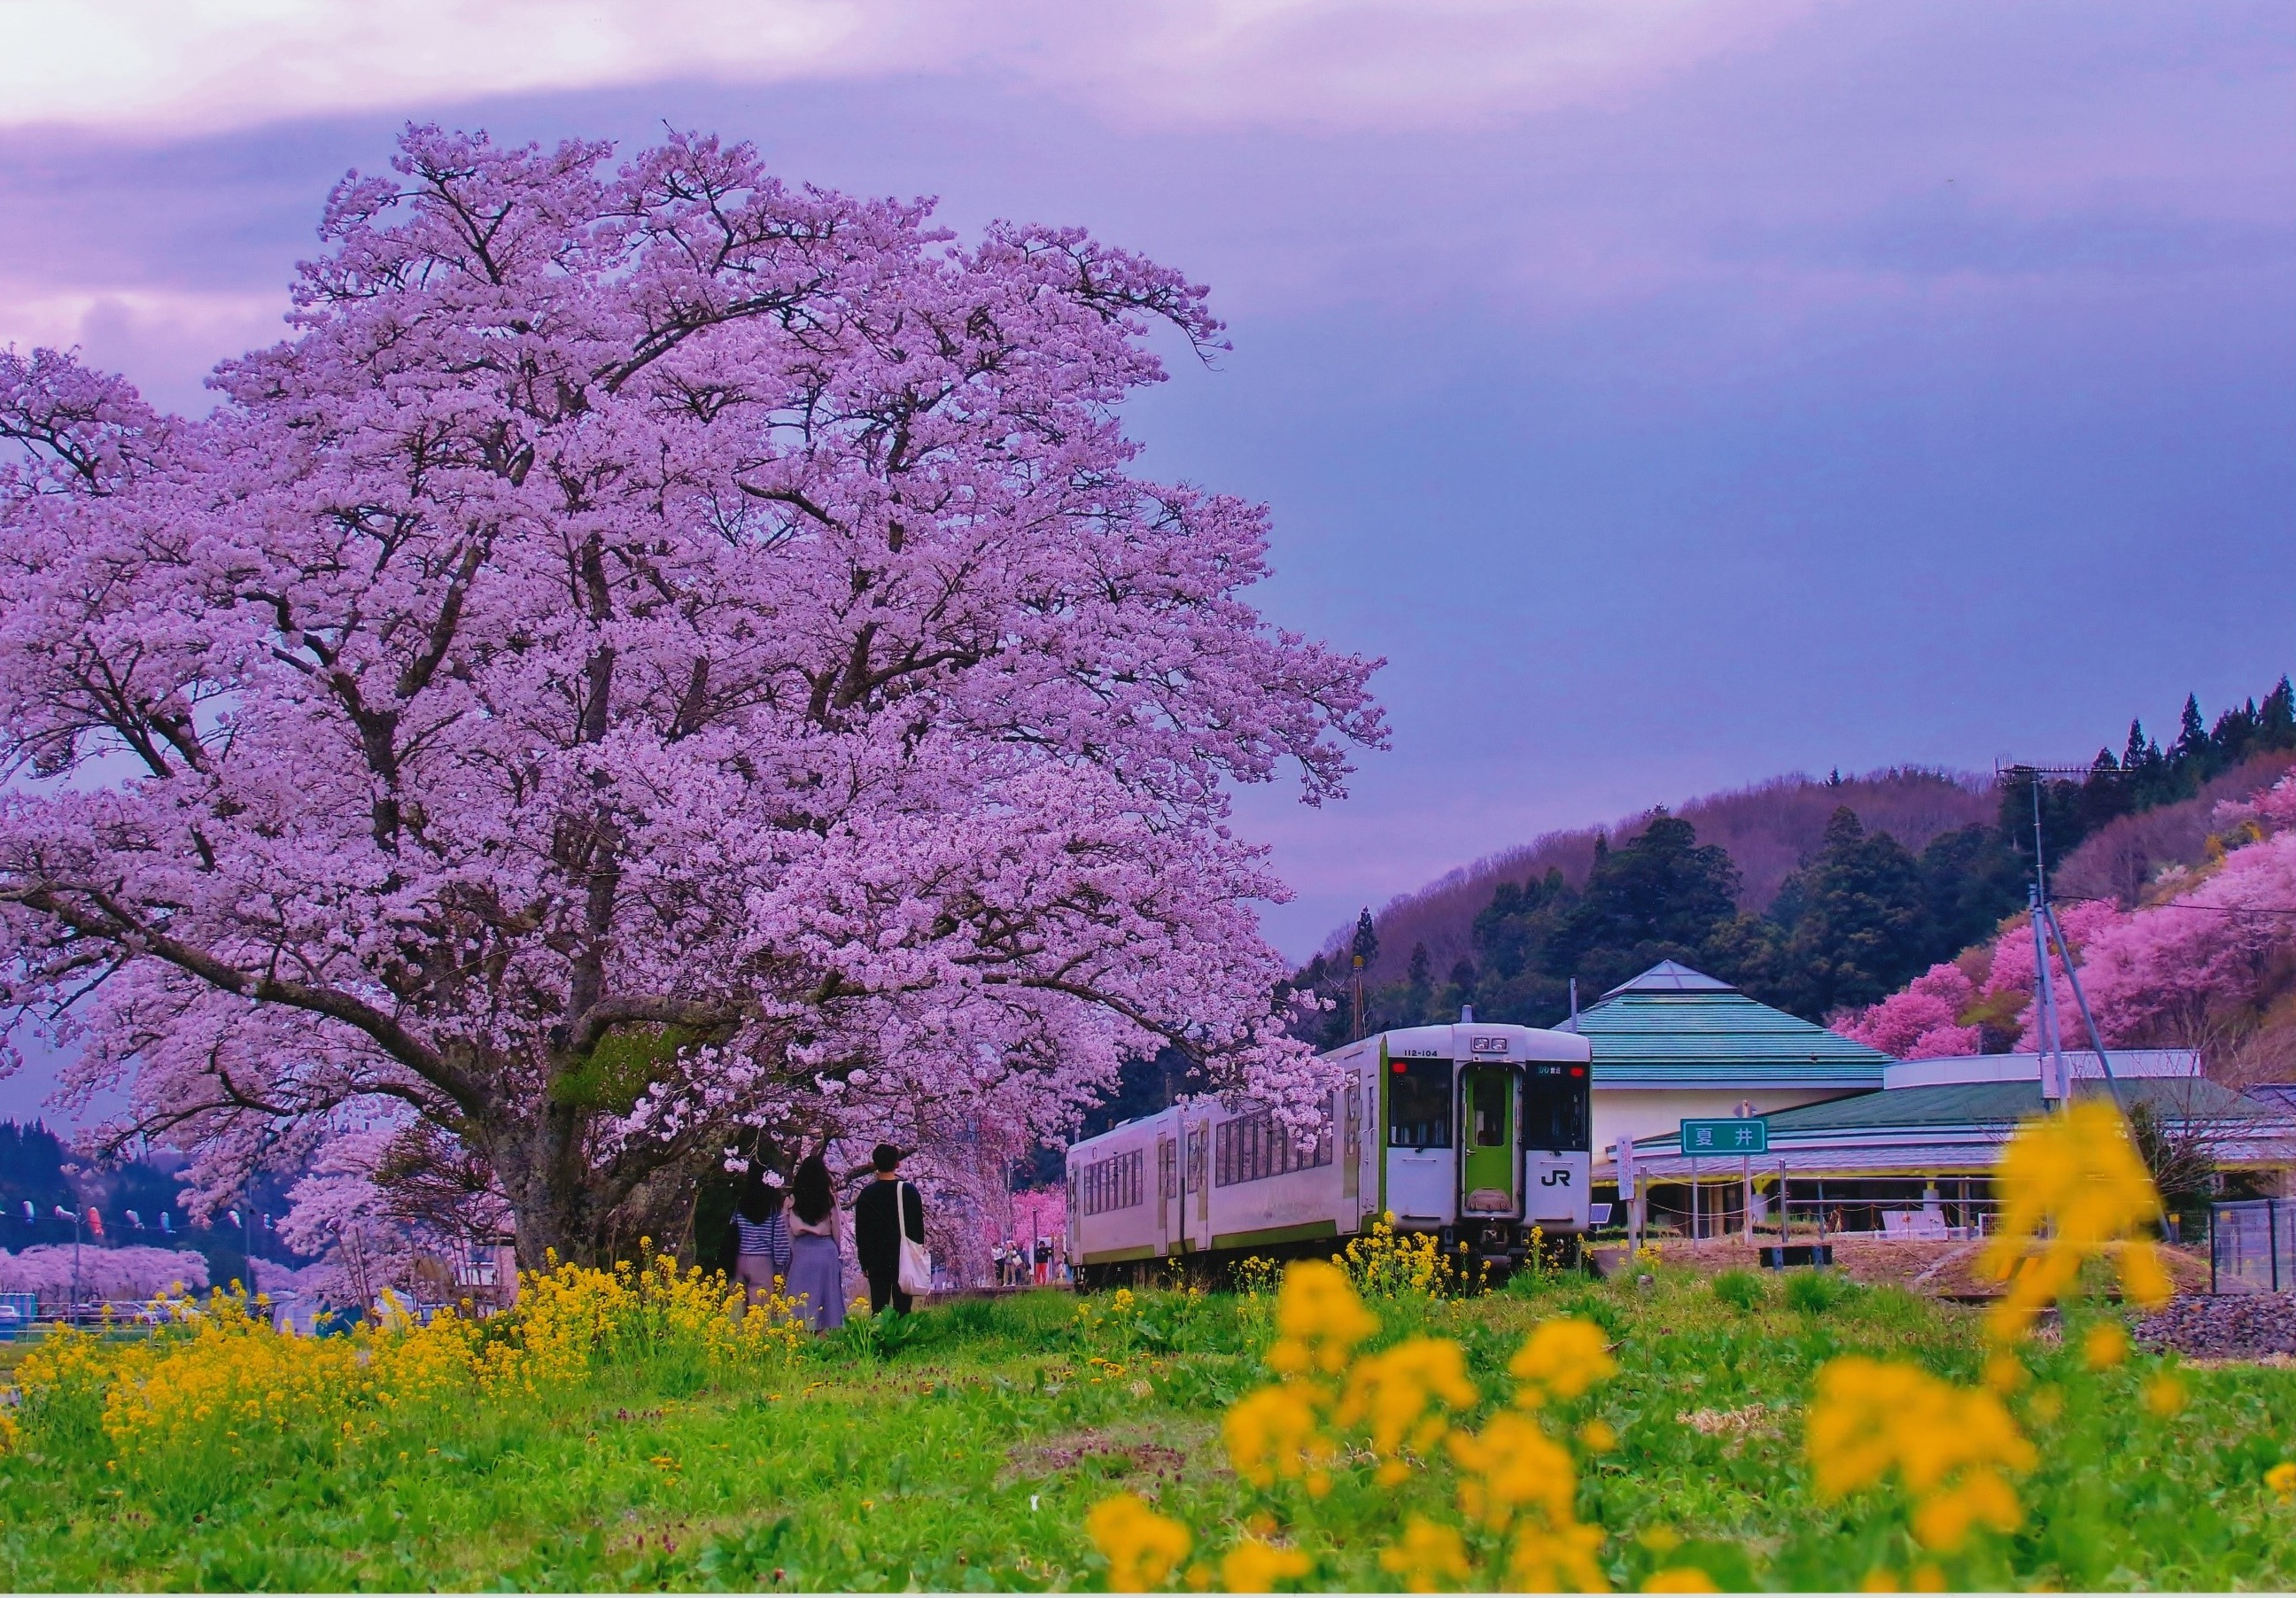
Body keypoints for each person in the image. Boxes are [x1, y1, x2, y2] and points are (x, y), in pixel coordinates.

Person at [852, 1143, 926, 1316]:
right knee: (903, 1307)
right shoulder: (909, 1191)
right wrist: (918, 1251)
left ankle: (879, 1339)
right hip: (903, 1255)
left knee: (878, 1306)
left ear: (875, 1165)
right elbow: (917, 1227)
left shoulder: (866, 1194)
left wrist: (864, 1261)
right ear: (897, 1164)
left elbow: (861, 1232)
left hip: (876, 1257)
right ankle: (903, 1339)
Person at [783, 1153, 846, 1332]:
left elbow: (787, 1230)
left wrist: (794, 1251)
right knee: (826, 1301)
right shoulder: (829, 1199)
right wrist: (836, 1250)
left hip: (802, 1250)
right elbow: (837, 1228)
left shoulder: (791, 1200)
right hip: (827, 1249)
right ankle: (822, 1342)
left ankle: (801, 1339)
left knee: (801, 1299)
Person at [730, 1167, 792, 1310]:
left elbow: (732, 1229)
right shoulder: (774, 1207)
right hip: (762, 1261)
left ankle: (732, 1332)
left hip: (739, 1258)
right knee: (760, 1308)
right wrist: (780, 1266)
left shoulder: (741, 1203)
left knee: (735, 1306)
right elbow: (780, 1239)